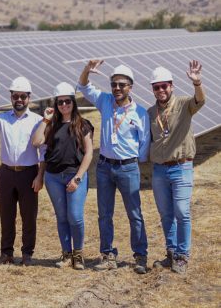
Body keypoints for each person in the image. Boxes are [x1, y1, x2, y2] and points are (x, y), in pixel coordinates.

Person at [78, 61, 150, 274]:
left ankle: (140, 255)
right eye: (113, 84)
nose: (117, 88)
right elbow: (82, 86)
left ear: (130, 87)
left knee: (134, 213)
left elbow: (144, 142)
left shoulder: (140, 112)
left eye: (121, 85)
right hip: (104, 167)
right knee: (104, 214)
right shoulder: (105, 101)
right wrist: (86, 70)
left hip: (128, 168)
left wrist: (135, 162)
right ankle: (108, 254)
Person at [0, 76, 45, 266]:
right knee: (6, 215)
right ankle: (6, 253)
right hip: (6, 173)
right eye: (15, 96)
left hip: (29, 174)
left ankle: (27, 254)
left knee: (28, 216)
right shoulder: (2, 119)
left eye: (23, 96)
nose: (19, 100)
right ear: (11, 97)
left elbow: (43, 152)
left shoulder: (38, 121)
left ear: (29, 98)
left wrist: (40, 176)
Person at [147, 61, 205, 274]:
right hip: (160, 170)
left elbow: (200, 100)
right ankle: (171, 252)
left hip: (181, 168)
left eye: (164, 86)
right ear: (152, 89)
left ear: (171, 86)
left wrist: (197, 82)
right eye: (156, 87)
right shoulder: (150, 112)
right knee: (165, 214)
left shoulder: (183, 104)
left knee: (182, 212)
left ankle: (183, 255)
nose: (161, 90)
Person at [31, 82, 94, 270]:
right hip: (53, 177)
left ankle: (78, 254)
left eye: (67, 101)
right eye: (60, 102)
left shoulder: (83, 125)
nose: (64, 105)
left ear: (73, 102)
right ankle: (66, 254)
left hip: (74, 175)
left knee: (75, 216)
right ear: (56, 104)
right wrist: (45, 120)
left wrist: (78, 178)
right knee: (62, 217)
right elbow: (36, 142)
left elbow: (89, 153)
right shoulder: (51, 125)